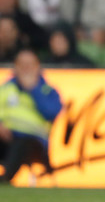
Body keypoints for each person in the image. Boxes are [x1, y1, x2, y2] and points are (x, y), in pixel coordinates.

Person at [0, 49, 62, 184]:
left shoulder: (47, 91)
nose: (25, 68)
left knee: (22, 144)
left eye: (29, 64)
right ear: (15, 67)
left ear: (38, 67)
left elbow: (51, 112)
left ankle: (5, 179)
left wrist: (34, 90)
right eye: (22, 64)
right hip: (6, 137)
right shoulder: (5, 89)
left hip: (34, 141)